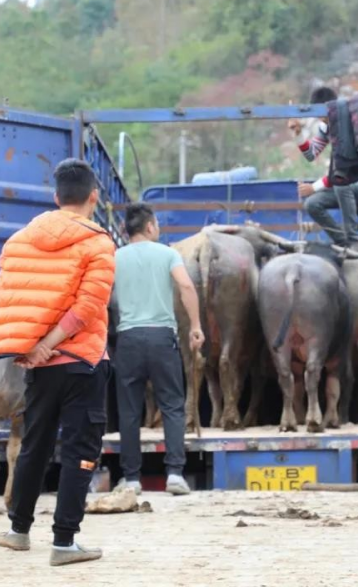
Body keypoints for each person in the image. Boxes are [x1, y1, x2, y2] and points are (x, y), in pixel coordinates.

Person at [0, 158, 115, 566]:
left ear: (55, 196)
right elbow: (88, 305)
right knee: (81, 448)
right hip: (82, 359)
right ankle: (64, 542)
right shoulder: (98, 242)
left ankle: (18, 530)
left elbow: (7, 296)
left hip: (38, 366)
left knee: (35, 443)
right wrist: (52, 341)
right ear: (93, 198)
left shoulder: (18, 241)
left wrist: (34, 346)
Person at [111, 203, 205, 496]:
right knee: (173, 406)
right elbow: (187, 287)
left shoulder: (114, 258)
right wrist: (195, 326)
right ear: (150, 227)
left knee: (128, 410)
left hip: (128, 339)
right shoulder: (168, 254)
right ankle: (175, 474)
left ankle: (131, 478)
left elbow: (101, 295)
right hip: (162, 338)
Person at [288, 86, 358, 254]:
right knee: (312, 204)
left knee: (341, 184)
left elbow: (344, 168)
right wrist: (298, 133)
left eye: (321, 113)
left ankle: (353, 241)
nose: (319, 118)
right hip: (347, 186)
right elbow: (311, 154)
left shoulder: (351, 124)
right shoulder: (326, 127)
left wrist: (313, 187)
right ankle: (343, 242)